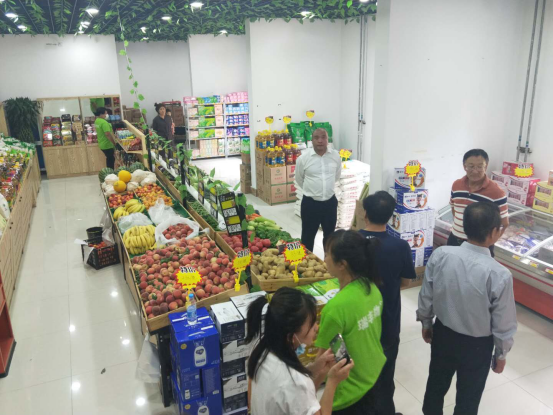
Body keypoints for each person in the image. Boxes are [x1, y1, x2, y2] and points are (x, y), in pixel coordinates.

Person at [417, 202, 517, 415]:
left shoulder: (441, 254)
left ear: (463, 226)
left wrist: (426, 322)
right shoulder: (499, 274)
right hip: (477, 346)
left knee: (436, 384)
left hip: (443, 334)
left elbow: (426, 294)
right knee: (469, 396)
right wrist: (501, 354)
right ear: (494, 232)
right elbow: (503, 321)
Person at [247, 287, 354, 415]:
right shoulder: (296, 383)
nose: (316, 327)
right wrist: (332, 381)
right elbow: (300, 393)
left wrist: (317, 369)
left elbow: (301, 402)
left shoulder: (260, 350)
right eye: (312, 324)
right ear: (291, 337)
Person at [316, 230, 386, 415]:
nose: (324, 259)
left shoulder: (335, 309)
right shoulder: (371, 287)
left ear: (342, 264)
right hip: (373, 374)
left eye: (327, 254)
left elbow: (323, 362)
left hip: (349, 393)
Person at [360, 191, 417, 415]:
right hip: (387, 321)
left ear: (365, 213)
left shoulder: (351, 242)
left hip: (357, 320)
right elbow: (405, 282)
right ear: (392, 217)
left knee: (358, 372)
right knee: (385, 375)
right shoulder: (400, 247)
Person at [449, 149, 509, 256]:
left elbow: (504, 224)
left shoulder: (496, 192)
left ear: (486, 166)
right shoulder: (456, 185)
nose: (475, 171)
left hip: (480, 247)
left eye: (480, 166)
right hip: (454, 240)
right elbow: (454, 209)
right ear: (464, 166)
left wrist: (488, 243)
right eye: (471, 166)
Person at [296, 128, 342, 252]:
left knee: (330, 238)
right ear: (311, 140)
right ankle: (307, 262)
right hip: (310, 204)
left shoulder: (335, 156)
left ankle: (328, 261)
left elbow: (336, 176)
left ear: (328, 140)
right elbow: (299, 179)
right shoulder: (303, 159)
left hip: (330, 203)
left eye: (323, 137)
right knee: (307, 237)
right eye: (316, 138)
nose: (320, 141)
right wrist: (313, 191)